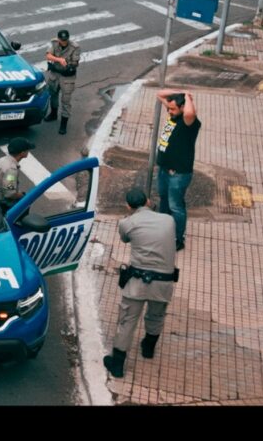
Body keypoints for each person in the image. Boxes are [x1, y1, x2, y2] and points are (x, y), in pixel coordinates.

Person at [102, 188, 178, 378]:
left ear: (128, 205)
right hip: (164, 283)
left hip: (137, 282)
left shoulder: (127, 223)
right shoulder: (169, 220)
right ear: (147, 201)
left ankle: (117, 365)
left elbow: (125, 239)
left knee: (127, 320)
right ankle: (148, 349)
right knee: (156, 315)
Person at [154, 90, 200, 251]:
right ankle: (162, 230)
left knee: (176, 207)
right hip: (164, 170)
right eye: (169, 109)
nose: (169, 111)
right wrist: (181, 91)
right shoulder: (175, 112)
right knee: (164, 201)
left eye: (173, 109)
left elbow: (189, 111)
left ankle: (177, 239)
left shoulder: (189, 122)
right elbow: (160, 94)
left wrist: (187, 97)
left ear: (182, 107)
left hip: (178, 174)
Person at [43, 29, 80, 135]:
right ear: (59, 39)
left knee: (66, 100)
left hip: (67, 77)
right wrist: (59, 60)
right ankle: (53, 114)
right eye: (62, 40)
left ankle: (64, 124)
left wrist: (68, 65)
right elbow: (48, 55)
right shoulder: (54, 43)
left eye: (65, 40)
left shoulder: (75, 47)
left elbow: (74, 64)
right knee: (53, 95)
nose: (64, 42)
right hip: (55, 75)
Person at [0, 138, 33, 214]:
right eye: (27, 150)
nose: (28, 152)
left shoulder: (1, 160)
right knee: (25, 205)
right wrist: (23, 196)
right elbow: (10, 193)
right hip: (3, 202)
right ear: (22, 153)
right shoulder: (11, 170)